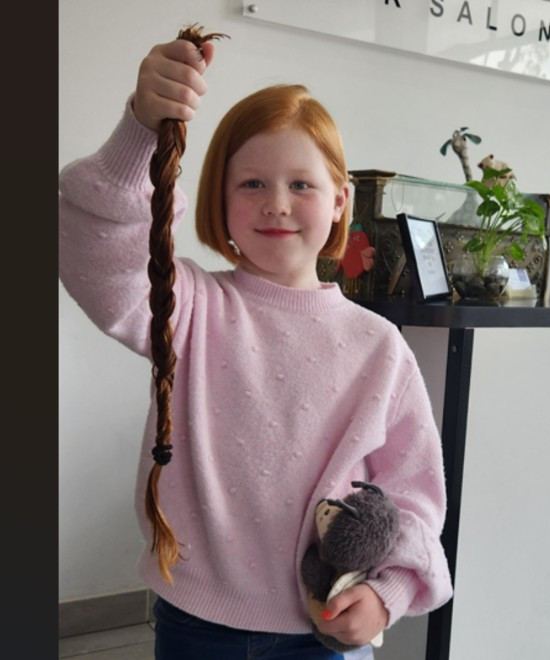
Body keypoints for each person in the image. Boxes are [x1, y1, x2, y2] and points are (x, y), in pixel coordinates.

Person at [59, 34, 453, 660]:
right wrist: (141, 131)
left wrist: (390, 592)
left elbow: (414, 492)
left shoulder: (379, 347)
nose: (276, 204)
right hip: (194, 620)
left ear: (340, 201)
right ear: (219, 197)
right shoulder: (190, 304)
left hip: (326, 627)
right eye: (250, 184)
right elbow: (98, 253)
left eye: (301, 184)